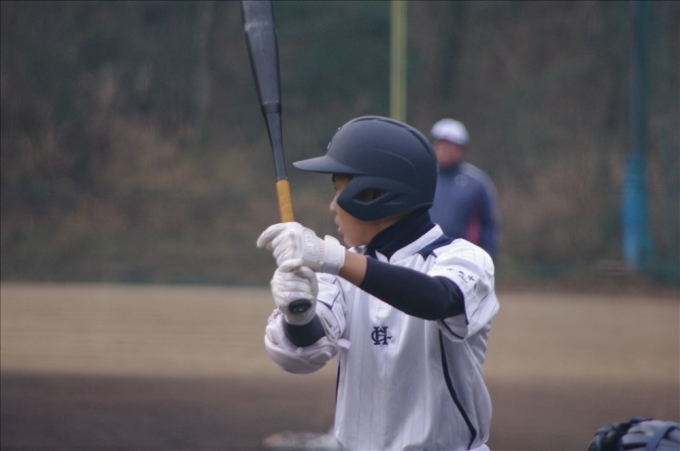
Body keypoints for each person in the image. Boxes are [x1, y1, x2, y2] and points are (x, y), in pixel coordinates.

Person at [257, 116, 499, 451]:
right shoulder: (337, 271)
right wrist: (298, 313)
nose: (332, 207)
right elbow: (302, 355)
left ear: (373, 195)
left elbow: (437, 299)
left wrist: (334, 257)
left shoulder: (464, 258)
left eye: (338, 191)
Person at [428, 118, 499, 259]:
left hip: (463, 257)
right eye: (441, 144)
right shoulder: (424, 176)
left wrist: (488, 257)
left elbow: (489, 226)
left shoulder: (477, 182)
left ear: (461, 149)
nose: (444, 149)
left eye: (450, 145)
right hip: (425, 255)